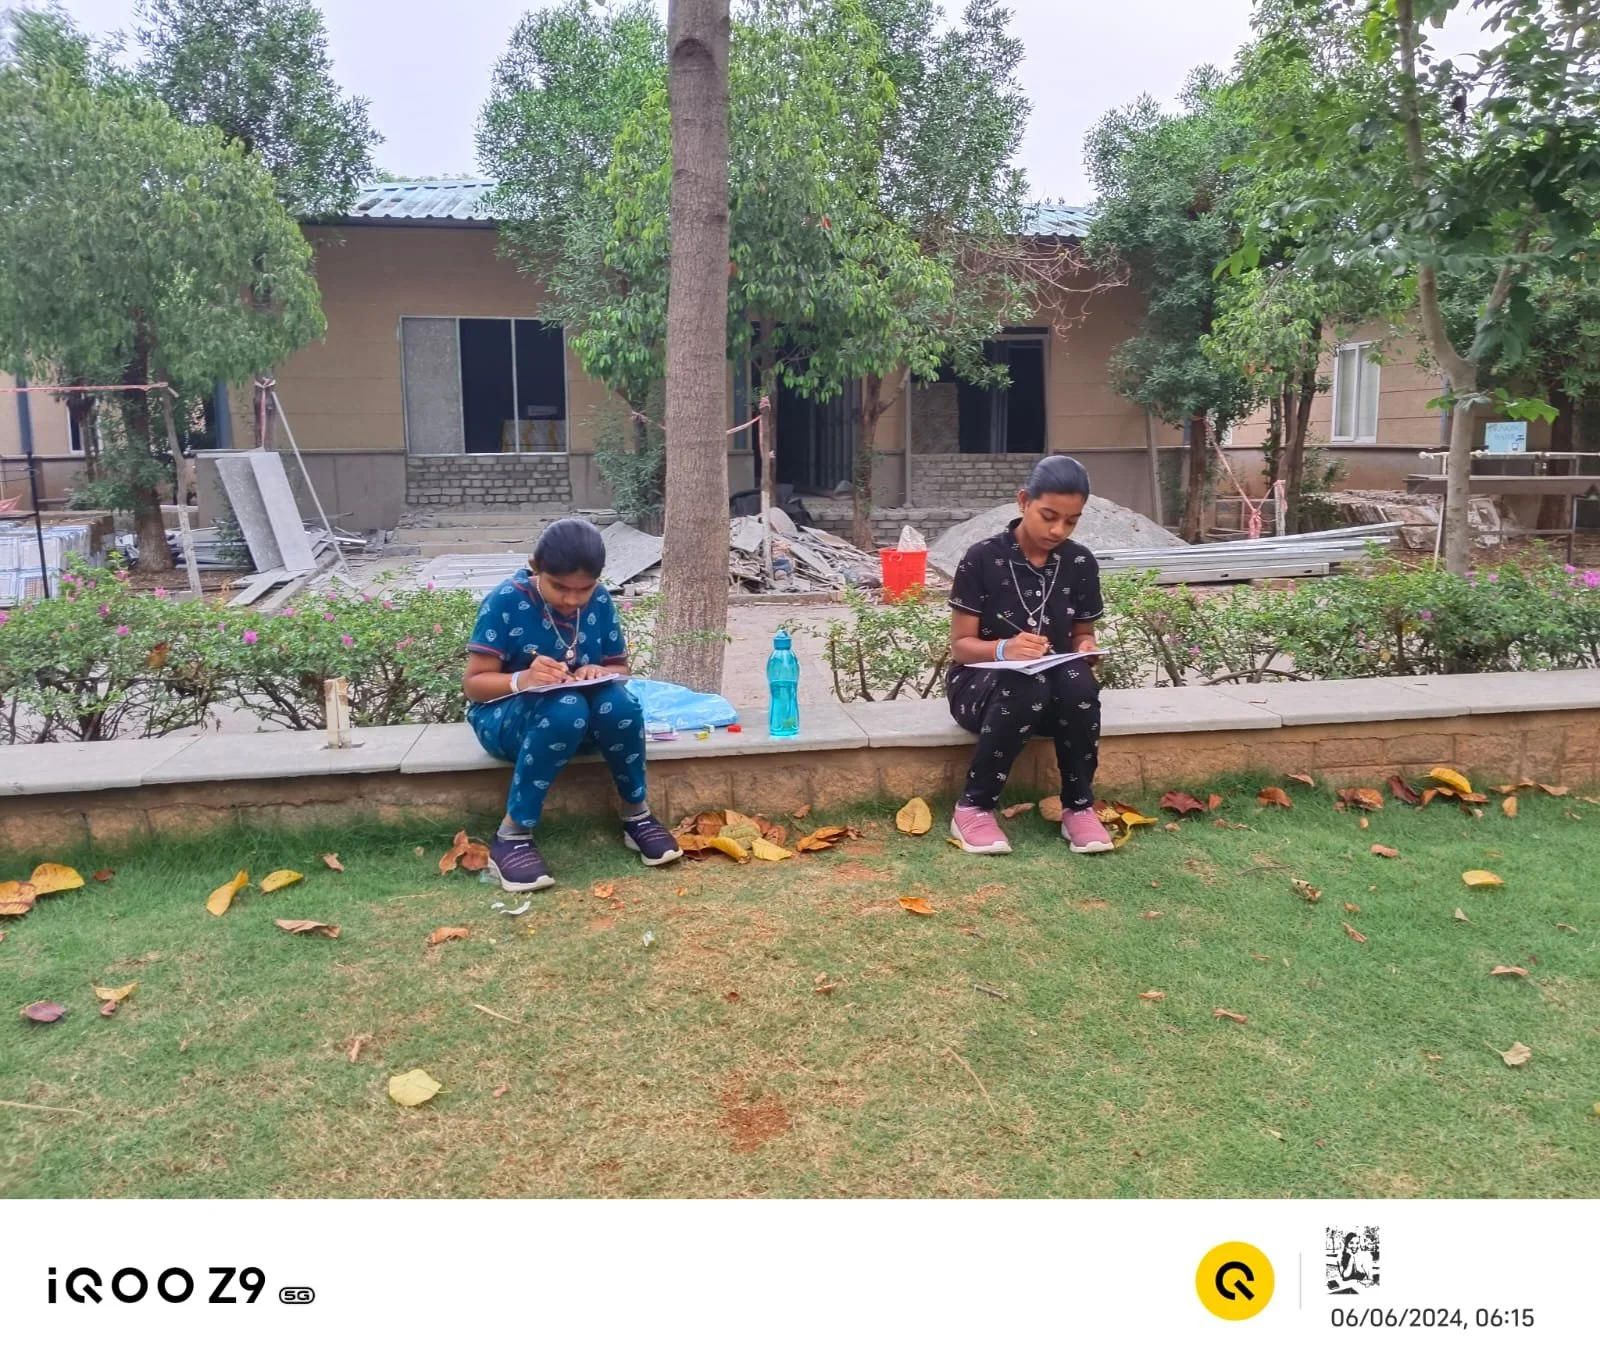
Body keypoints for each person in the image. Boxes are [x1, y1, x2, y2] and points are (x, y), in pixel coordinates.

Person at [462, 517, 682, 892]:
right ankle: (512, 834)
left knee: (621, 705)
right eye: (560, 587)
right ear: (536, 567)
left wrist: (598, 669)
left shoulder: (597, 599)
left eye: (584, 588)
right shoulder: (505, 600)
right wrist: (523, 679)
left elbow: (619, 667)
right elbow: (474, 685)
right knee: (566, 708)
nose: (572, 599)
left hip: (579, 721)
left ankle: (636, 814)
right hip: (509, 721)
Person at [945, 455, 1115, 855]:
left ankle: (1079, 807)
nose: (1058, 530)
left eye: (1071, 521)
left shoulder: (1079, 562)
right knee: (1026, 681)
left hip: (1053, 689)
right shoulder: (982, 558)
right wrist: (1005, 649)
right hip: (980, 688)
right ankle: (973, 807)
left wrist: (1086, 648)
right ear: (1024, 501)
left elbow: (1082, 633)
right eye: (1048, 515)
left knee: (1079, 683)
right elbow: (961, 647)